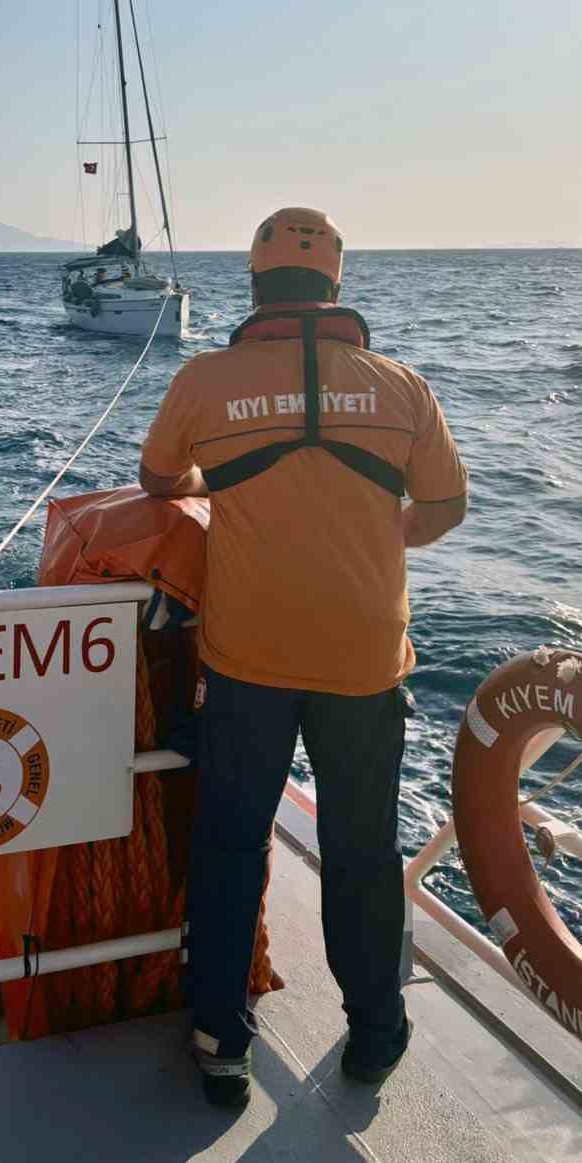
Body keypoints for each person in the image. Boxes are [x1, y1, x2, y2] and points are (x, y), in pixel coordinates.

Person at [138, 207, 467, 1109]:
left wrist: (227, 481)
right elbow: (447, 505)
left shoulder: (206, 380)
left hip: (247, 661)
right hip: (366, 661)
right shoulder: (402, 387)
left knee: (230, 841)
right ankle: (372, 1031)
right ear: (338, 289)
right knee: (360, 849)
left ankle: (218, 1035)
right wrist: (378, 537)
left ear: (254, 288)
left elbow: (159, 482)